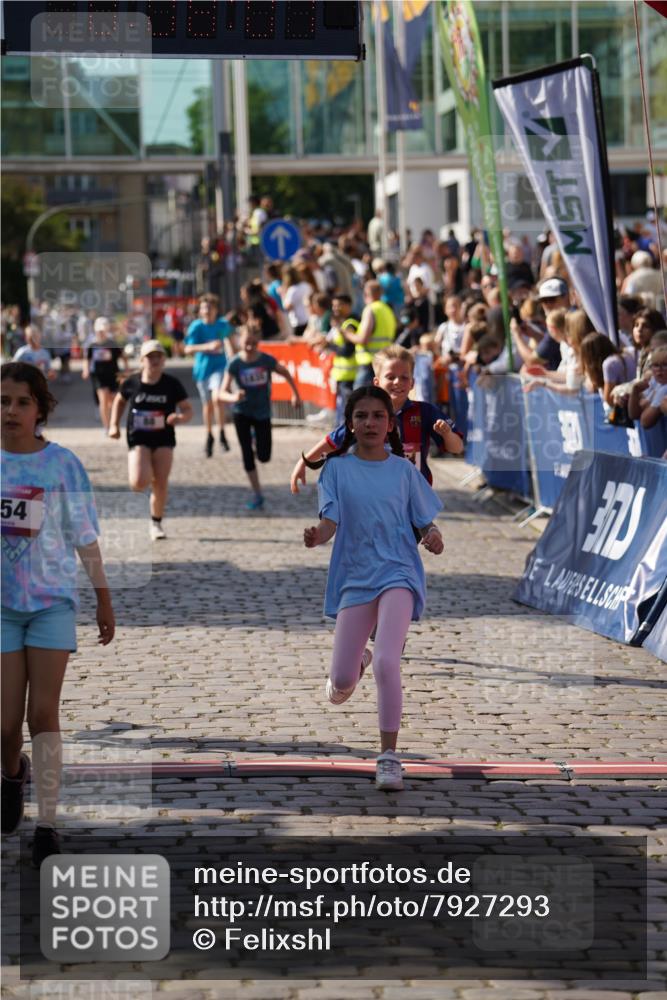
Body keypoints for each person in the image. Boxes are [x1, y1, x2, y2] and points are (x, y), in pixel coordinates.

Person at [1, 362, 115, 865]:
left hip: (50, 604)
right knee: (4, 725)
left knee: (42, 712)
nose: (10, 411)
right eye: (3, 401)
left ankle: (46, 822)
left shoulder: (62, 465)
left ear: (40, 409)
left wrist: (103, 595)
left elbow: (84, 536)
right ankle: (11, 773)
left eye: (22, 402)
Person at [303, 386, 444, 791]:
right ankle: (354, 665)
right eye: (361, 416)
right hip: (354, 576)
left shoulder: (404, 471)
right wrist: (318, 535)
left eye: (378, 416)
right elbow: (330, 523)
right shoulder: (335, 470)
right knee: (342, 682)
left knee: (388, 662)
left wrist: (433, 535)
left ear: (390, 425)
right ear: (350, 424)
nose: (370, 423)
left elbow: (424, 522)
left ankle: (388, 758)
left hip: (399, 573)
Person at [290, 344, 463, 494]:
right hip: (375, 496)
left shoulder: (425, 412)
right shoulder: (365, 413)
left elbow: (457, 448)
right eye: (390, 377)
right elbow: (333, 441)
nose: (398, 382)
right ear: (377, 382)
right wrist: (303, 463)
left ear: (412, 383)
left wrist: (447, 434)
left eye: (404, 377)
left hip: (415, 497)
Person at [108, 340, 193, 540]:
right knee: (139, 482)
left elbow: (188, 409)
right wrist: (113, 425)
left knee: (161, 482)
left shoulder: (172, 384)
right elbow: (119, 401)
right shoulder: (132, 382)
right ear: (142, 360)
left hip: (164, 437)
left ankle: (156, 522)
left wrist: (180, 418)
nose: (154, 360)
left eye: (158, 356)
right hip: (138, 436)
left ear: (164, 360)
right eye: (150, 357)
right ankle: (142, 472)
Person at [219, 325, 301, 510]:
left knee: (264, 456)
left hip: (262, 412)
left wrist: (295, 393)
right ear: (240, 341)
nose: (250, 346)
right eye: (247, 342)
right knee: (247, 454)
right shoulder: (235, 363)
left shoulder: (266, 360)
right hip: (242, 412)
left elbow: (285, 372)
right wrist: (234, 397)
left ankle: (257, 440)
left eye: (254, 343)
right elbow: (221, 393)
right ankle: (257, 493)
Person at [184, 294, 234, 458]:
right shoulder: (196, 327)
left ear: (216, 310)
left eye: (210, 308)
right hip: (202, 369)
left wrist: (233, 354)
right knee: (208, 405)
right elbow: (187, 349)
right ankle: (209, 435)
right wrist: (207, 346)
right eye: (204, 308)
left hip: (220, 367)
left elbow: (231, 340)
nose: (207, 311)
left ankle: (221, 432)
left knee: (217, 398)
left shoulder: (223, 325)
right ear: (200, 310)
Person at [342, 280, 397, 388]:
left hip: (369, 363)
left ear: (365, 294)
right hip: (385, 362)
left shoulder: (370, 309)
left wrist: (347, 334)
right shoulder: (387, 310)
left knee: (359, 401)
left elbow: (363, 339)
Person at [81, 317, 123, 433]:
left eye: (103, 331)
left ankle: (112, 421)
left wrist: (127, 369)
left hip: (113, 375)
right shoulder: (92, 345)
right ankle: (107, 427)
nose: (101, 333)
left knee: (112, 401)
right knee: (103, 400)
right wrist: (86, 370)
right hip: (98, 376)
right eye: (99, 331)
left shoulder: (112, 343)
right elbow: (87, 359)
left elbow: (122, 356)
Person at [628, 345, 667, 428]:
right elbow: (634, 414)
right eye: (655, 365)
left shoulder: (664, 389)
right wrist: (635, 391)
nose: (659, 369)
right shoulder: (655, 381)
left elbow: (645, 421)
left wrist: (648, 404)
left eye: (665, 365)